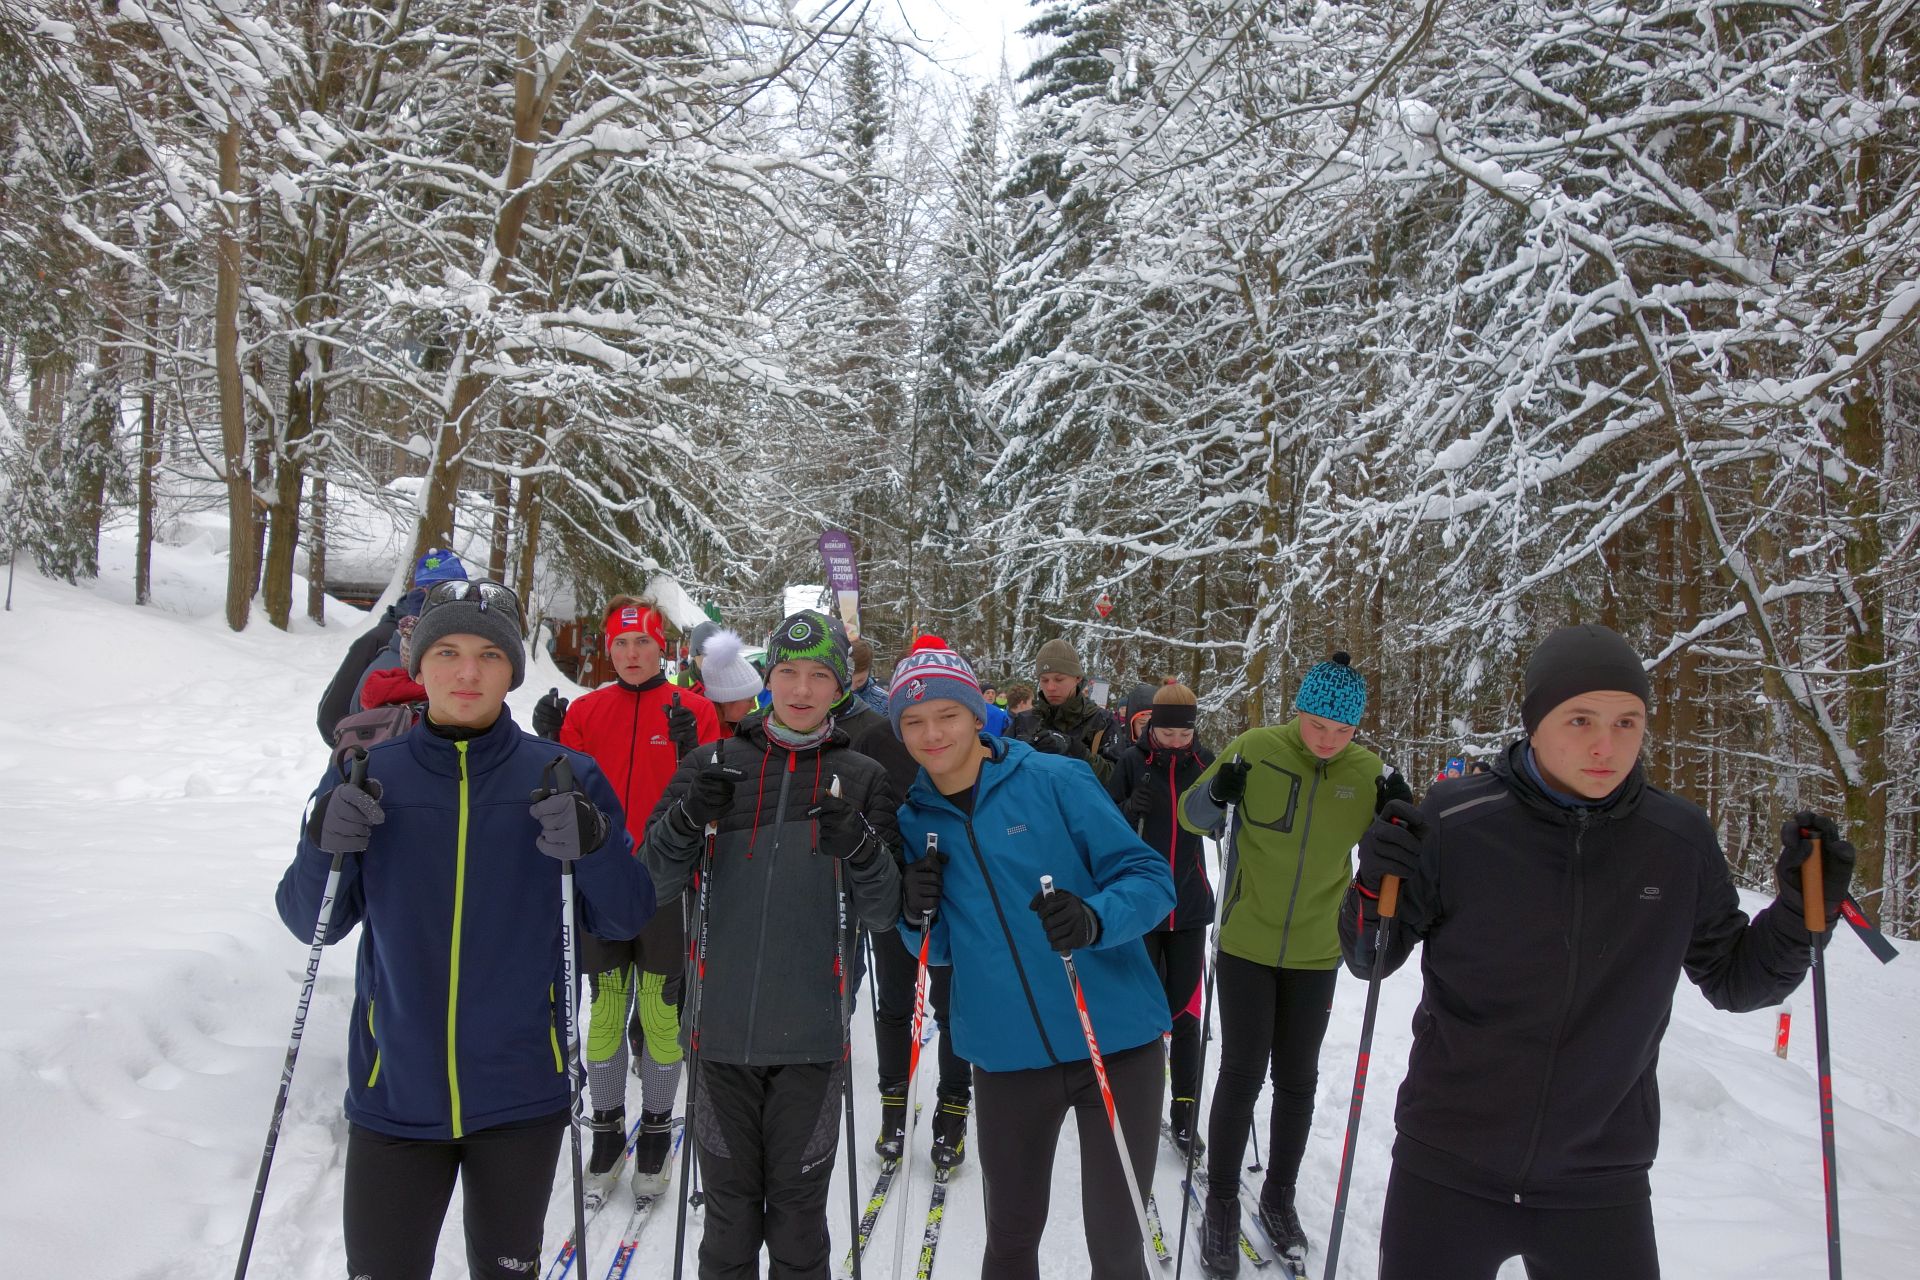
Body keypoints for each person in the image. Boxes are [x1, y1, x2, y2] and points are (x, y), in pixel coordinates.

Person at [1342, 624, 1856, 1280]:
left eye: (1626, 722)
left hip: (1598, 1180)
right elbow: (1371, 956)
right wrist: (1372, 883)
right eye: (1580, 719)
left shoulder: (1676, 840)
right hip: (1447, 1163)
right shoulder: (1458, 820)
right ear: (1535, 723)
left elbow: (1737, 980)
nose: (1605, 746)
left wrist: (1799, 916)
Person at [277, 578, 655, 1280]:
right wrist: (322, 842)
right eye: (447, 652)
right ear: (418, 665)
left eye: (489, 655)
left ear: (512, 670)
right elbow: (310, 922)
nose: (468, 673)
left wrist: (596, 844)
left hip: (521, 1096)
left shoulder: (564, 776)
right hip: (394, 1096)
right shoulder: (368, 776)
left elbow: (624, 915)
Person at [890, 639, 1174, 1280]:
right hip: (1007, 1053)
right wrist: (914, 913)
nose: (932, 734)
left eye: (947, 715)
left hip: (1114, 1040)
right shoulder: (915, 821)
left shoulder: (1055, 780)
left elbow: (1150, 879)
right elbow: (938, 948)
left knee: (1117, 1243)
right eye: (913, 721)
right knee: (1011, 1240)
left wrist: (1094, 917)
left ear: (976, 714)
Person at [640, 610, 903, 1279]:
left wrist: (862, 848)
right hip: (718, 1037)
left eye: (819, 675)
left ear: (840, 686)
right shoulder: (713, 764)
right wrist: (686, 817)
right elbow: (653, 880)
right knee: (727, 1225)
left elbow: (883, 914)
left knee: (798, 1224)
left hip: (812, 1044)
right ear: (767, 678)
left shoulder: (863, 776)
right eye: (788, 671)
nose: (802, 689)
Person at [1179, 651, 1401, 1275]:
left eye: (1342, 730)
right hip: (1246, 942)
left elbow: (1401, 851)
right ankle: (1222, 1201)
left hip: (1316, 951)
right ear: (1298, 711)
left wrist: (1401, 817)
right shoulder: (1256, 748)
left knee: (1298, 1079)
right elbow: (1192, 815)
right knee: (1243, 1071)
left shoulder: (1367, 773)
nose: (1327, 740)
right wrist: (1217, 792)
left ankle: (1278, 1194)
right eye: (1317, 724)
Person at [531, 599, 722, 1202]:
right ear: (607, 649)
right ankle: (608, 1131)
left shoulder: (694, 710)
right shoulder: (587, 710)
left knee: (662, 1016)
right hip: (602, 881)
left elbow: (719, 797)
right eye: (621, 643)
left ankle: (658, 1131)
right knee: (608, 1010)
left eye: (643, 643)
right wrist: (547, 741)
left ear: (662, 648)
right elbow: (555, 787)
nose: (632, 654)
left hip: (668, 884)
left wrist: (695, 754)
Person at [841, 636, 975, 1169]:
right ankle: (894, 1108)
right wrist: (886, 867)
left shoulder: (966, 740)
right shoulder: (877, 736)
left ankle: (953, 1110)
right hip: (893, 889)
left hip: (956, 891)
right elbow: (870, 811)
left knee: (952, 1004)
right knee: (895, 1001)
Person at [1106, 680, 1215, 1155]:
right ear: (1152, 727)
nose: (1175, 742)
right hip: (1142, 906)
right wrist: (1128, 809)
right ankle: (1139, 1100)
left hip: (1188, 904)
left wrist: (1225, 804)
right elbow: (1103, 823)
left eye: (1183, 734)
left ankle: (1185, 1110)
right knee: (1143, 1009)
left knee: (1185, 1009)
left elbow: (1224, 823)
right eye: (1167, 733)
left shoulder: (1205, 763)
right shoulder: (1132, 762)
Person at [315, 547, 466, 745]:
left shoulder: (471, 641)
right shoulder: (379, 640)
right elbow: (332, 718)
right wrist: (356, 751)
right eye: (445, 593)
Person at [1008, 638, 1116, 782]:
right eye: (1044, 680)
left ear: (1078, 678)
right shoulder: (1023, 721)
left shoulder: (1102, 721)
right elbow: (998, 769)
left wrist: (1075, 750)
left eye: (1059, 679)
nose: (1050, 687)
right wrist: (1019, 753)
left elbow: (1117, 780)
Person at [698, 628, 768, 733]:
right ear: (726, 701)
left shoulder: (732, 727)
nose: (754, 706)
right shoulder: (701, 734)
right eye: (749, 700)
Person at [849, 636, 890, 716]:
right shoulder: (827, 696)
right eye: (847, 680)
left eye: (860, 680)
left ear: (869, 672)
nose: (852, 688)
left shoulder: (886, 703)